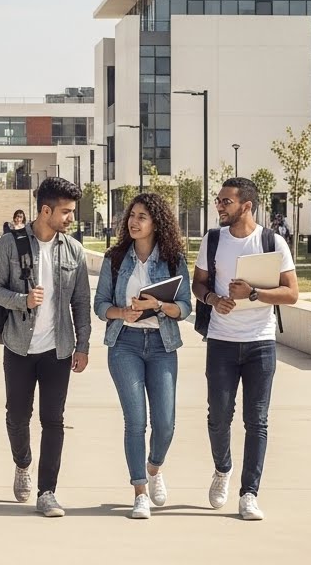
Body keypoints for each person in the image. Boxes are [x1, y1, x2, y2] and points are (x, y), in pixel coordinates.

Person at [0, 177, 91, 518]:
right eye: (66, 212)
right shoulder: (10, 244)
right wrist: (21, 300)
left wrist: (83, 345)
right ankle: (22, 463)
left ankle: (47, 493)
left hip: (58, 350)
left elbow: (81, 303)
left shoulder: (73, 250)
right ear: (46, 210)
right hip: (18, 347)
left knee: (53, 420)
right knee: (17, 417)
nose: (71, 218)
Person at [193, 177, 300, 522]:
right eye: (219, 201)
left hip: (261, 343)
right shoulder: (212, 240)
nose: (219, 207)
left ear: (247, 206)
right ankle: (222, 469)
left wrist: (253, 293)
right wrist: (212, 298)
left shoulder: (273, 242)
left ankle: (249, 493)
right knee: (218, 417)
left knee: (257, 421)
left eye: (226, 202)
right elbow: (198, 284)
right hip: (222, 342)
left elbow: (292, 294)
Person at [93, 193, 192, 519]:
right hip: (125, 345)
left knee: (165, 423)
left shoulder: (174, 259)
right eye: (132, 215)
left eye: (142, 217)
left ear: (156, 223)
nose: (134, 222)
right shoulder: (116, 257)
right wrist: (122, 312)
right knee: (136, 421)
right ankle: (139, 493)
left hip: (162, 347)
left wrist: (158, 306)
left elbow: (185, 308)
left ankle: (154, 468)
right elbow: (100, 305)